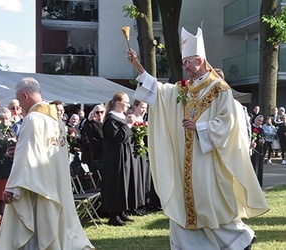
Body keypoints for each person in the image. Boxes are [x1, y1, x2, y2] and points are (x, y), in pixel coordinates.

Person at [127, 27, 269, 249]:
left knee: (208, 203)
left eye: (188, 63)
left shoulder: (219, 89)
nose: (184, 67)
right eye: (183, 63)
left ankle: (240, 239)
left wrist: (200, 128)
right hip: (186, 161)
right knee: (184, 205)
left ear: (200, 60)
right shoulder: (185, 88)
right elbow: (160, 92)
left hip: (207, 158)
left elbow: (228, 121)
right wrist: (138, 65)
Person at [0, 77, 94, 249]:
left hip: (38, 183)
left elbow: (27, 154)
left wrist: (12, 187)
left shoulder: (33, 119)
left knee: (37, 221)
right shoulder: (57, 120)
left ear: (25, 95)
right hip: (57, 181)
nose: (19, 106)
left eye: (19, 100)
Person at [101, 92, 138, 226]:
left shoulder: (121, 117)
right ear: (117, 103)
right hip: (114, 158)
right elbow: (117, 137)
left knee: (124, 182)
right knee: (115, 184)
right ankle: (113, 215)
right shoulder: (110, 119)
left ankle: (122, 211)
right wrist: (128, 125)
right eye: (126, 102)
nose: (128, 105)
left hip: (124, 155)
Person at [250, 115, 265, 187]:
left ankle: (259, 183)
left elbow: (263, 136)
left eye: (261, 121)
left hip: (260, 149)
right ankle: (252, 182)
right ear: (255, 120)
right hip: (252, 148)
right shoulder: (250, 127)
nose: (260, 122)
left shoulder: (261, 129)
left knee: (260, 166)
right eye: (258, 120)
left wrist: (262, 140)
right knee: (253, 165)